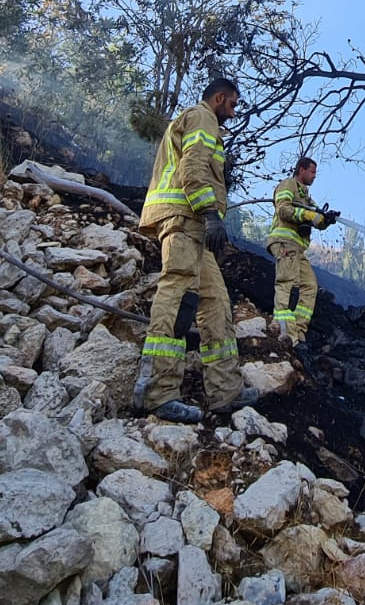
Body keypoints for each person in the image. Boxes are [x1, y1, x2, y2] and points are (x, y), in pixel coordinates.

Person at [133, 76, 259, 423]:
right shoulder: (202, 117)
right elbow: (192, 168)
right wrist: (209, 213)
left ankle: (225, 392)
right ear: (219, 98)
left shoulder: (197, 120)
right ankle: (158, 393)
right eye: (232, 104)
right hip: (186, 221)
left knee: (216, 303)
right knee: (178, 296)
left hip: (197, 228)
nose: (233, 113)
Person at [267, 155, 339, 354]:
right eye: (312, 172)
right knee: (286, 282)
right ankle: (284, 332)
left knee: (309, 285)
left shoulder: (305, 195)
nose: (314, 176)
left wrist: (326, 219)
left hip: (298, 248)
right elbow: (283, 210)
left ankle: (298, 331)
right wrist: (309, 215)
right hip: (285, 242)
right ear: (301, 170)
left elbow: (316, 218)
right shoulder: (288, 184)